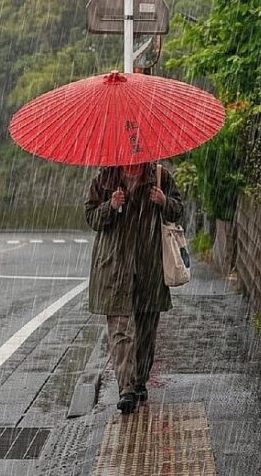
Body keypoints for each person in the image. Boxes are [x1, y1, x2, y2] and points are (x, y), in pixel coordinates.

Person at [84, 161, 183, 414]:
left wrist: (164, 202)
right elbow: (91, 218)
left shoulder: (160, 177)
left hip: (149, 267)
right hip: (115, 268)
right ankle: (126, 388)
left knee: (146, 331)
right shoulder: (104, 179)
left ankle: (139, 382)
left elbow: (178, 209)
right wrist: (110, 206)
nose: (132, 161)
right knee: (120, 331)